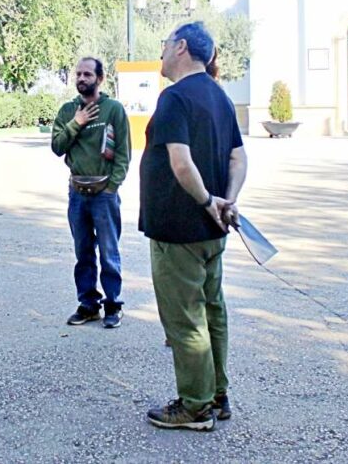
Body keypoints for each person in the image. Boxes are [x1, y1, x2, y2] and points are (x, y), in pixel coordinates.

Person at [140, 22, 247, 432]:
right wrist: (226, 202)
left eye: (165, 44)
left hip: (178, 228)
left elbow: (181, 163)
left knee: (185, 318)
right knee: (212, 310)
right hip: (210, 230)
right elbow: (238, 158)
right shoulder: (220, 97)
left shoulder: (175, 97)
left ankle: (195, 406)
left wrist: (206, 200)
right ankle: (217, 394)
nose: (162, 52)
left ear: (181, 47)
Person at [51, 57, 131, 329]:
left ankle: (113, 305)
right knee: (83, 252)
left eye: (87, 74)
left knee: (109, 252)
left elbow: (123, 153)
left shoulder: (113, 110)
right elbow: (57, 147)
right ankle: (88, 305)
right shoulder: (67, 111)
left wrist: (112, 186)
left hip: (104, 194)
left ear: (100, 78)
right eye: (78, 74)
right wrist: (77, 122)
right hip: (78, 193)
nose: (81, 79)